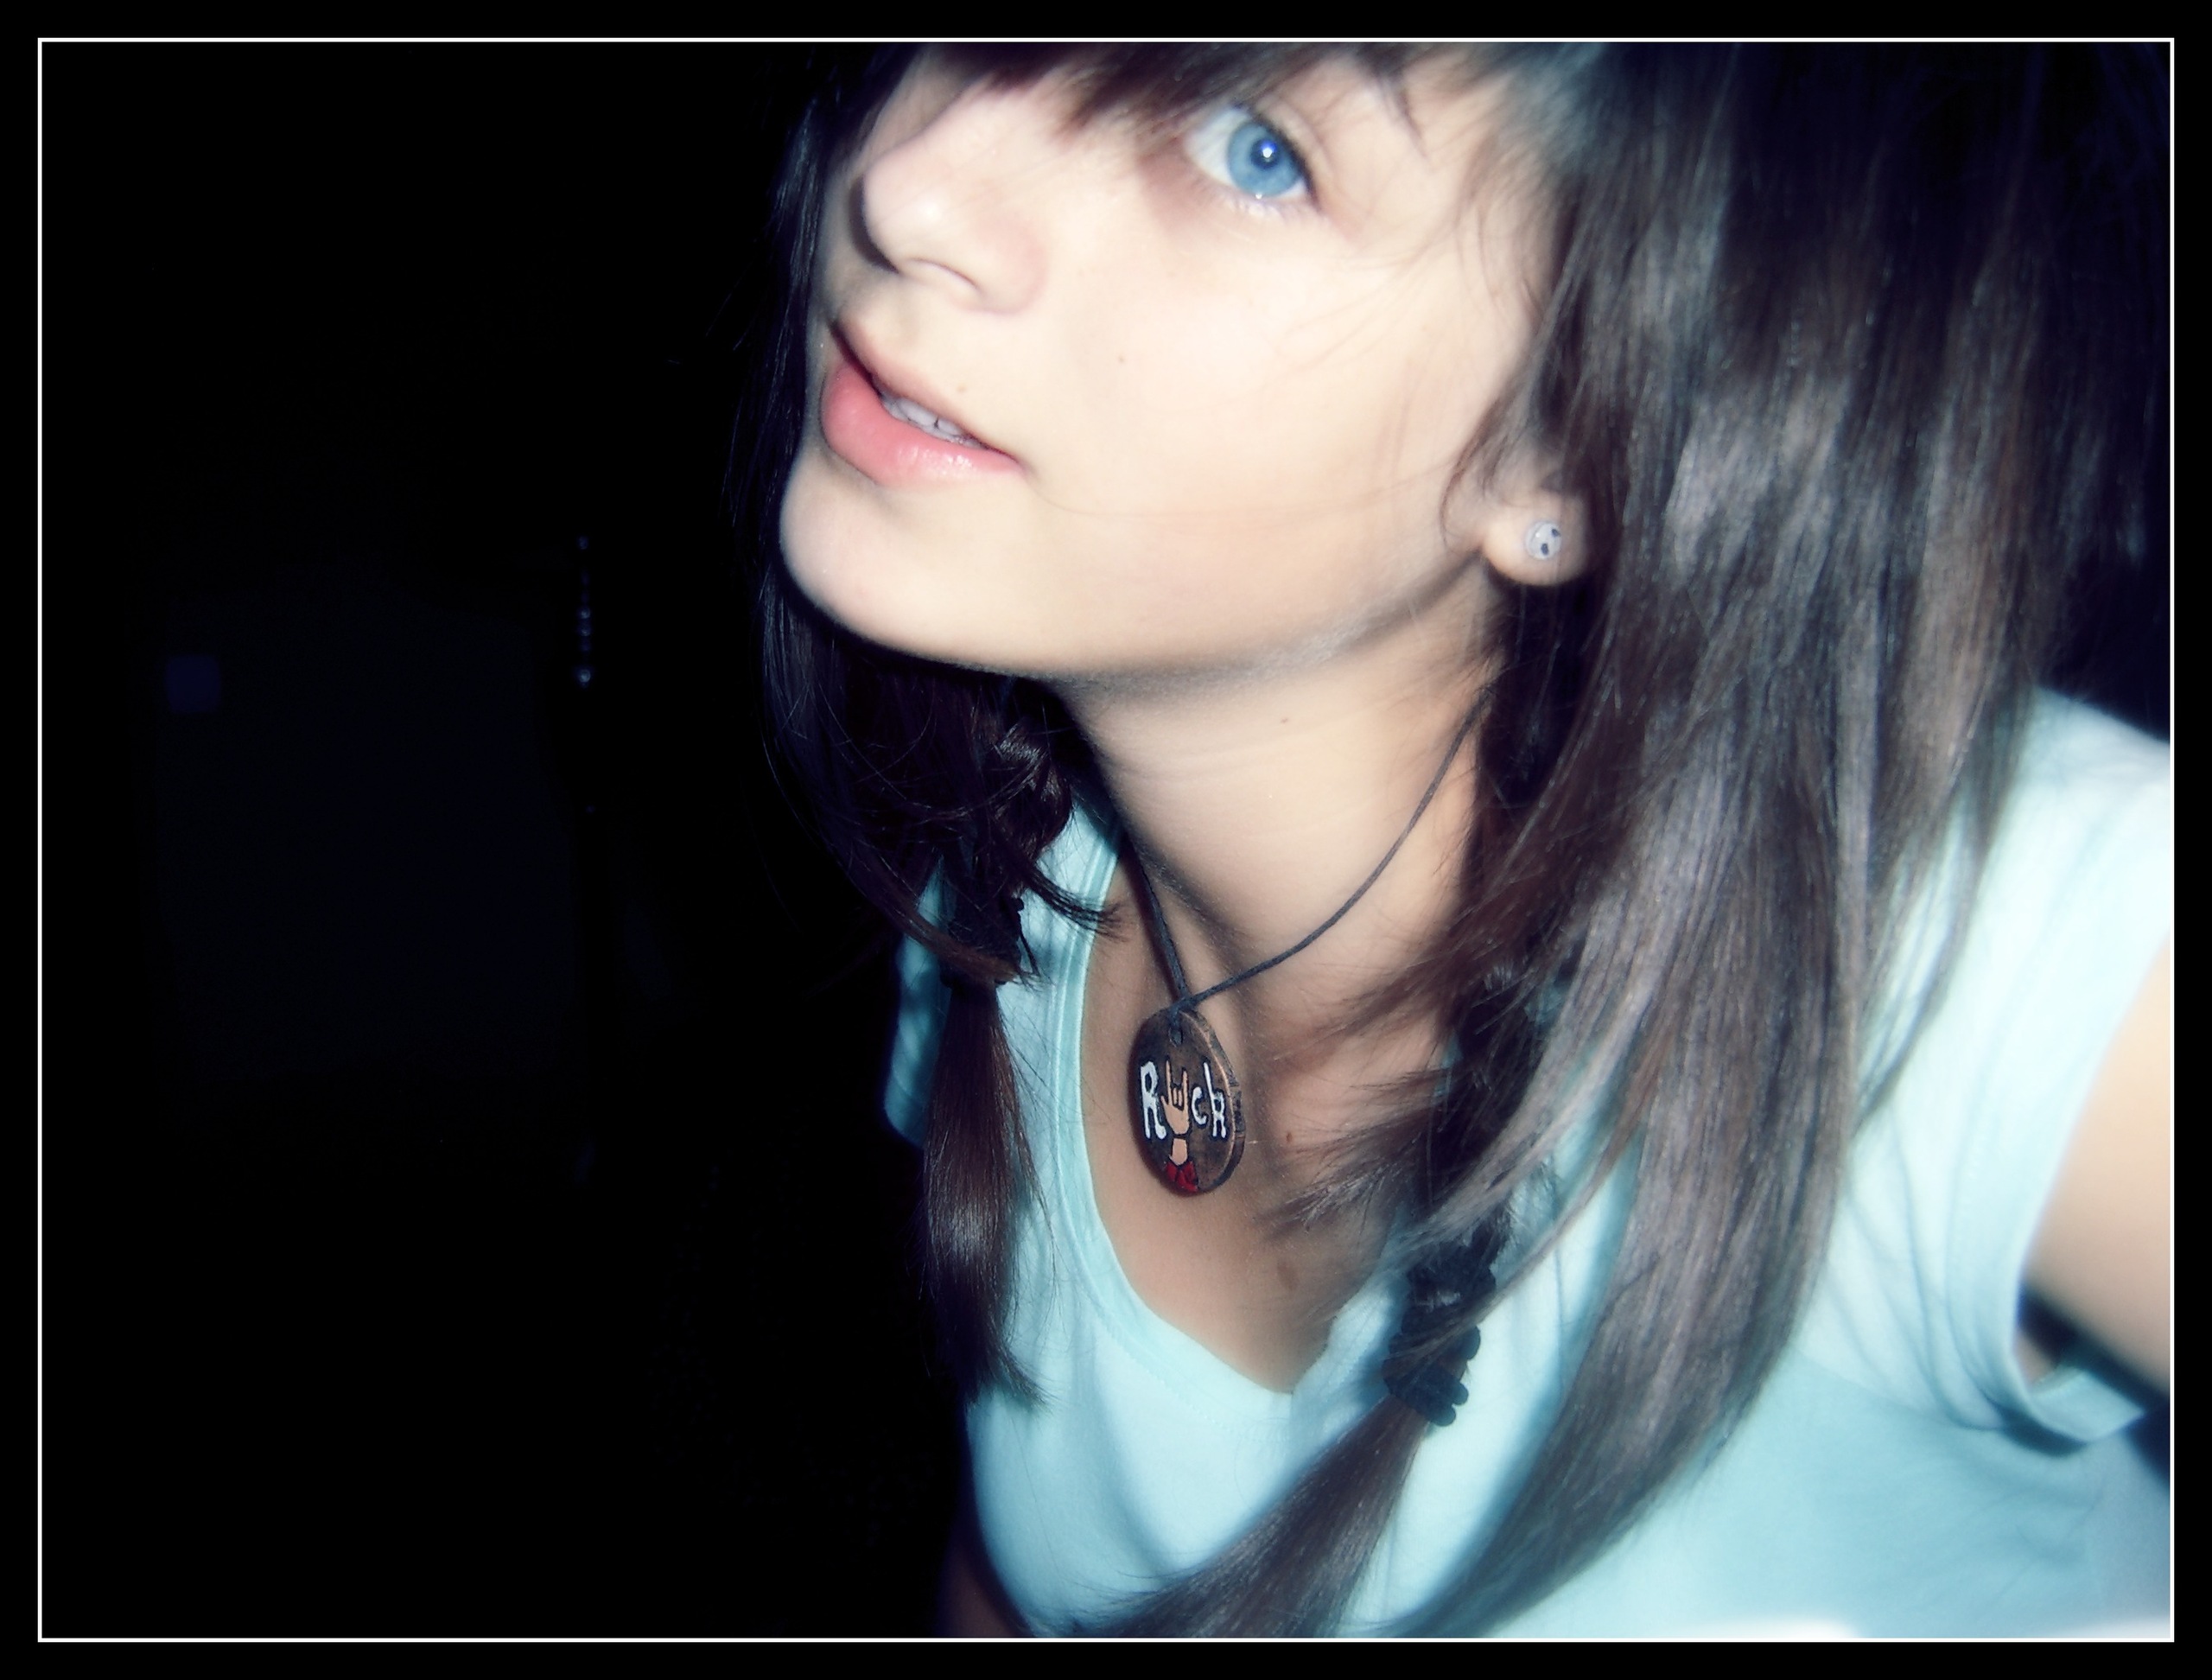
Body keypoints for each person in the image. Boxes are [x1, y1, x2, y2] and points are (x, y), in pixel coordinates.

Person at [747, 45, 2170, 1637]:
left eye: (1255, 148)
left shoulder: (1950, 958)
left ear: (1577, 444)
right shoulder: (1013, 889)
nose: (913, 184)